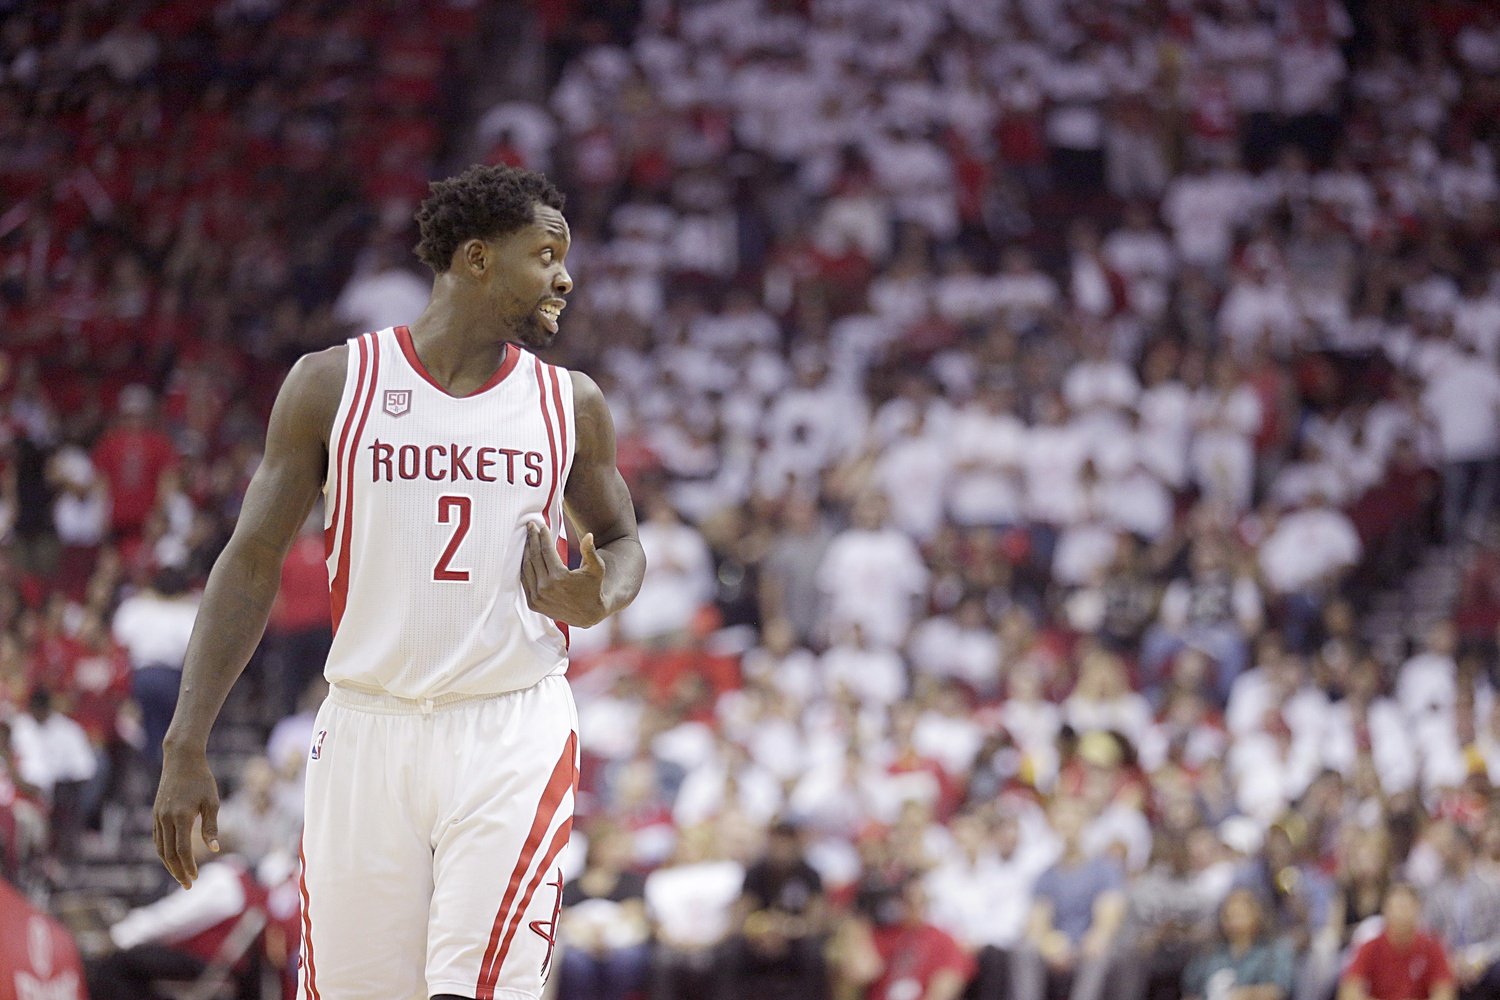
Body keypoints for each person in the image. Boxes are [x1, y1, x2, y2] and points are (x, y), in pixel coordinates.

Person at [151, 163, 646, 1000]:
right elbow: (250, 560)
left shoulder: (571, 403)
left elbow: (624, 540)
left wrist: (599, 592)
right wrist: (185, 740)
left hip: (508, 729)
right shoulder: (334, 384)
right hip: (365, 729)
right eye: (547, 253)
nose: (566, 275)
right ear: (478, 259)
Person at [1338, 883, 1456, 1000]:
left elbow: (1445, 992)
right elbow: (1349, 992)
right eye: (1396, 907)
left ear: (1418, 910)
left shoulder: (1432, 947)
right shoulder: (1370, 947)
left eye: (1406, 908)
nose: (1400, 915)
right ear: (1385, 910)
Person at [1182, 887, 1294, 1000]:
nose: (1233, 923)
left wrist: (1240, 995)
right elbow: (1190, 991)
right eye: (1228, 916)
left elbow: (1278, 990)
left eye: (1239, 915)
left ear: (1256, 915)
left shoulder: (1274, 950)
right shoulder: (1208, 953)